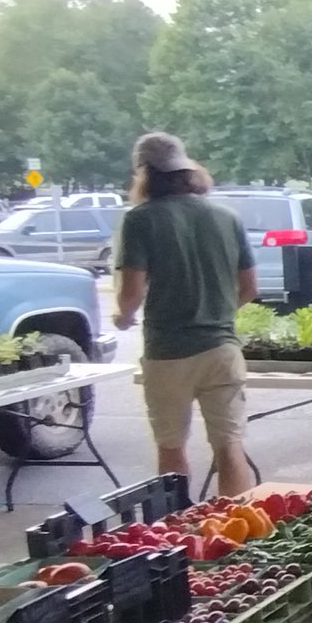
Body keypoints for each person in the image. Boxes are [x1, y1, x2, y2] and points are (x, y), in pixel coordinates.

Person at [113, 132, 256, 496]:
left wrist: (123, 317)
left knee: (171, 446)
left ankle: (179, 537)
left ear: (145, 173)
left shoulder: (140, 220)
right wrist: (218, 311)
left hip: (167, 352)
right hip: (221, 348)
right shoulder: (226, 217)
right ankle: (236, 535)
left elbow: (131, 293)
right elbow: (249, 288)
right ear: (187, 170)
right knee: (229, 445)